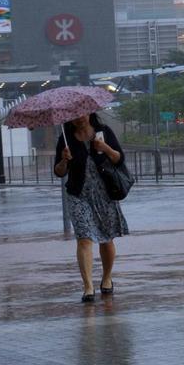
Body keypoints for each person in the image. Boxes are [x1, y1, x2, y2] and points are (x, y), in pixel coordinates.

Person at [54, 113, 129, 303]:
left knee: (107, 238)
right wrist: (64, 160)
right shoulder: (65, 138)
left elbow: (119, 159)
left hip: (105, 193)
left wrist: (105, 148)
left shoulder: (104, 132)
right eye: (73, 117)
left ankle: (106, 277)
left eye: (81, 115)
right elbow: (59, 171)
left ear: (89, 113)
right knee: (84, 239)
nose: (78, 119)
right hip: (79, 195)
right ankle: (88, 287)